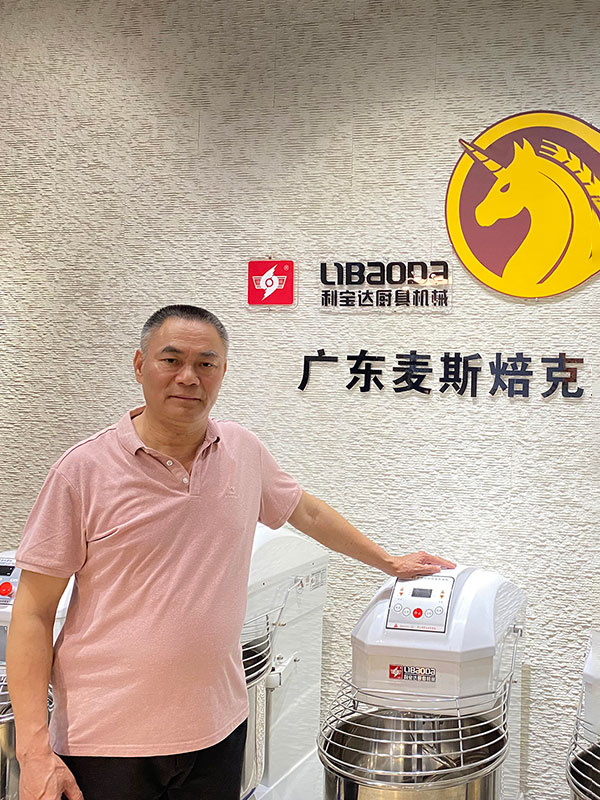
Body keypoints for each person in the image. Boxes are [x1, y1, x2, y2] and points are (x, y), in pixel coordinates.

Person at [7, 304, 454, 800]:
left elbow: (306, 511)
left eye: (206, 363)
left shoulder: (241, 449)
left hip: (217, 728)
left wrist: (388, 562)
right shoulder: (82, 472)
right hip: (105, 740)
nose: (188, 377)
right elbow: (32, 612)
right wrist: (33, 751)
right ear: (139, 365)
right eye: (171, 360)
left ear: (222, 372)